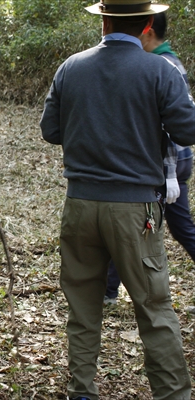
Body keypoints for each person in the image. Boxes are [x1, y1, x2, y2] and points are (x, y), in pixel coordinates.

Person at [40, 0, 195, 398]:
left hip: (79, 205)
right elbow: (187, 129)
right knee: (154, 310)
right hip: (134, 211)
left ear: (104, 19)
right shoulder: (158, 70)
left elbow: (51, 130)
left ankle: (82, 391)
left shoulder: (70, 67)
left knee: (83, 307)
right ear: (147, 24)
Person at [105, 11, 195, 305]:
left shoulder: (163, 65)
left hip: (167, 164)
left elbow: (168, 128)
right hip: (164, 165)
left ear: (148, 30)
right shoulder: (163, 62)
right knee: (141, 226)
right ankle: (108, 290)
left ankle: (110, 291)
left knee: (141, 228)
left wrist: (169, 175)